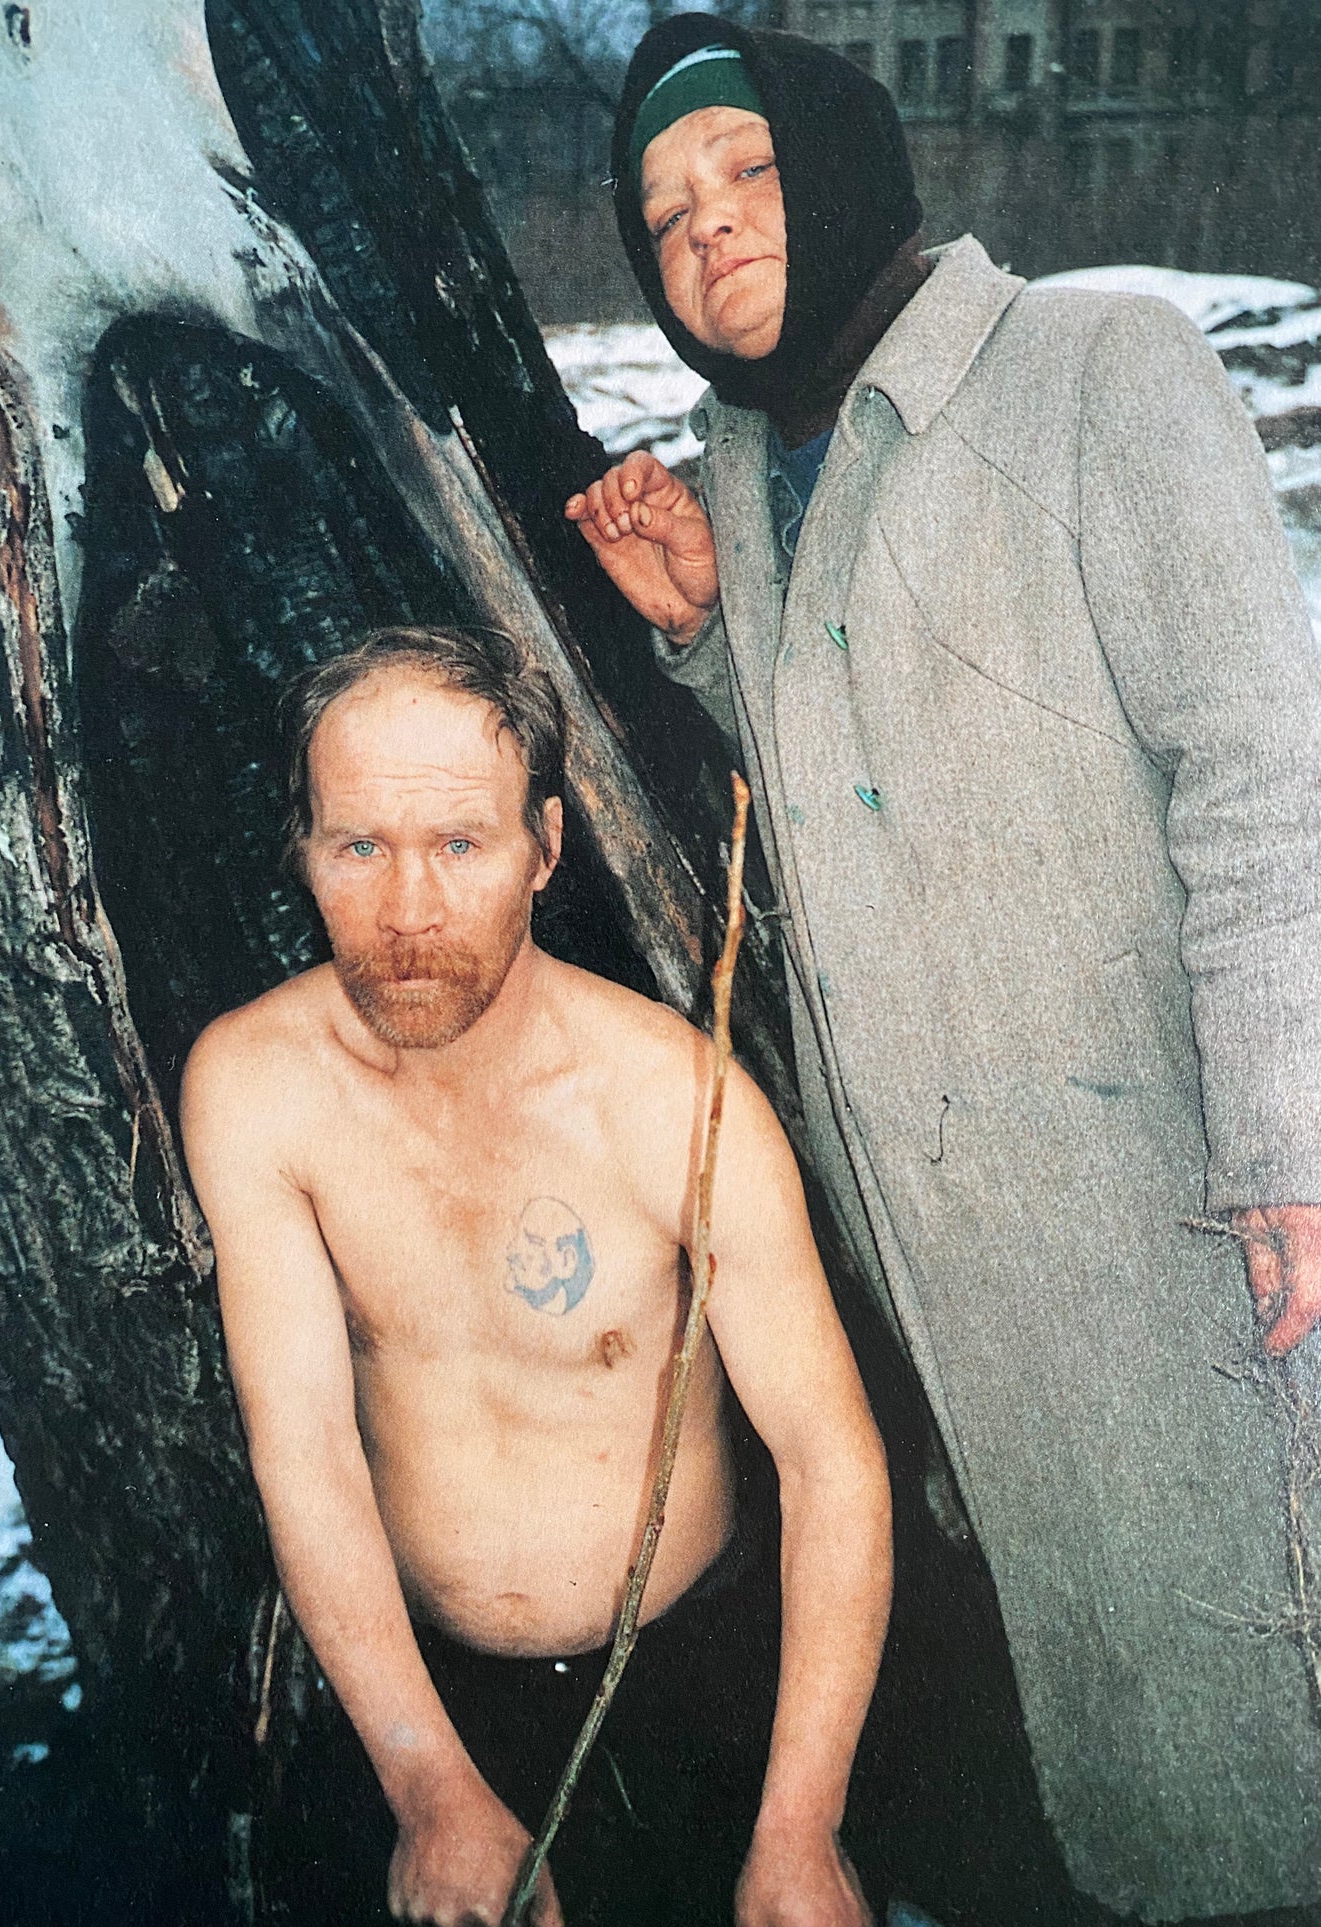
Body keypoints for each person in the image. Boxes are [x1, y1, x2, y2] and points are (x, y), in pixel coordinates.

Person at [566, 17, 1321, 1925]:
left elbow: (1261, 771)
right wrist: (703, 647)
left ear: (843, 165)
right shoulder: (751, 463)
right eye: (662, 214)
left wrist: (1288, 1139)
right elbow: (871, 787)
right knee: (1120, 1756)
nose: (706, 228)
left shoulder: (1093, 366)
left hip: (1194, 1210)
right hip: (960, 1271)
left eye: (743, 170)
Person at [180, 624, 892, 1927]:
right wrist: (428, 1790)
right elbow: (307, 1452)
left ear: (545, 847)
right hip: (427, 1694)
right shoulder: (257, 1087)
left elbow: (827, 1459)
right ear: (302, 848)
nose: (408, 911)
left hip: (704, 1676)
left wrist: (802, 1825)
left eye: (460, 844)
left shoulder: (669, 1100)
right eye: (359, 847)